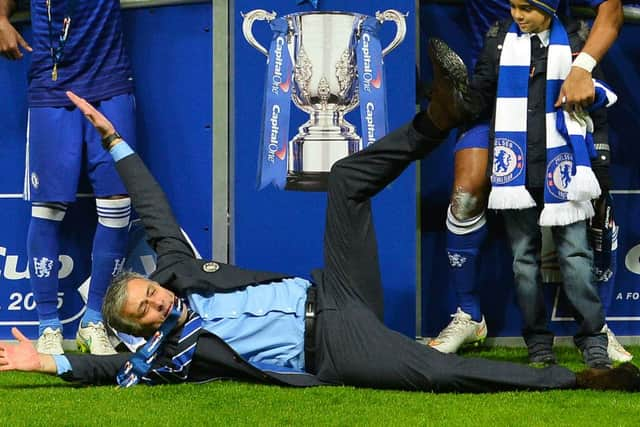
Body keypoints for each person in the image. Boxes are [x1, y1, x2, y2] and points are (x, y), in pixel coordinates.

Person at [0, 43, 638, 393]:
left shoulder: (181, 271)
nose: (155, 301)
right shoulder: (170, 354)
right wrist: (49, 363)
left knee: (345, 180)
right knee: (435, 374)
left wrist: (115, 141)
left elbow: (152, 205)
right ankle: (579, 379)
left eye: (147, 292)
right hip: (333, 347)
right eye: (141, 310)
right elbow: (108, 367)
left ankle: (437, 120)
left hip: (332, 288)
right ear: (137, 327)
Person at [429, 0, 631, 364]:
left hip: (561, 150)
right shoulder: (499, 39)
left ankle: (596, 331)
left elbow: (611, 9)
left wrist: (585, 72)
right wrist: (457, 96)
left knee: (582, 242)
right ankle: (479, 317)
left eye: (525, 7)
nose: (516, 15)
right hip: (508, 137)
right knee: (513, 247)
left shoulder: (574, 39)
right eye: (512, 6)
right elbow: (481, 93)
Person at [0, 0, 135, 355]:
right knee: (47, 208)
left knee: (118, 203)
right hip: (52, 86)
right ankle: (48, 327)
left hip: (111, 81)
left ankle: (95, 321)